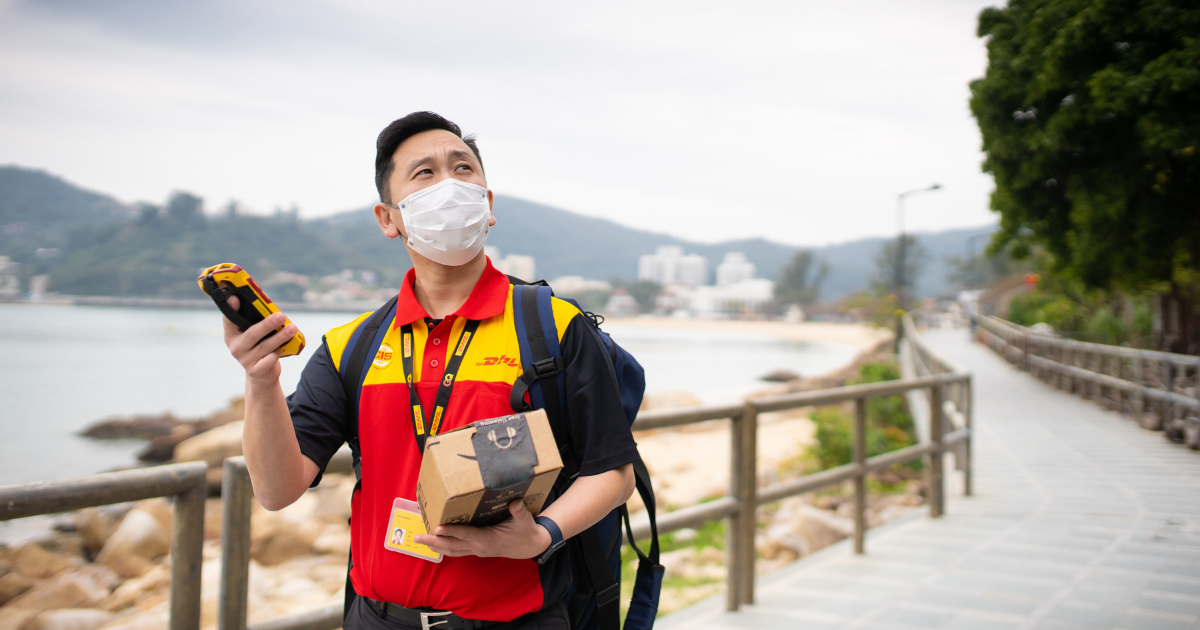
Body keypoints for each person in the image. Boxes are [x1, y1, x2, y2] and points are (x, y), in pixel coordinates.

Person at [221, 111, 638, 630]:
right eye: (424, 174)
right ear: (388, 218)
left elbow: (613, 472)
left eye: (463, 168)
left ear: (487, 206)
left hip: (518, 622)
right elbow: (277, 490)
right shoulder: (352, 347)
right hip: (379, 618)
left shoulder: (553, 327)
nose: (449, 184)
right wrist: (261, 382)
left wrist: (544, 534)